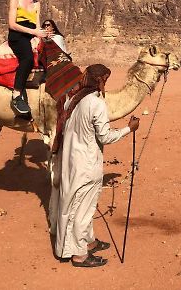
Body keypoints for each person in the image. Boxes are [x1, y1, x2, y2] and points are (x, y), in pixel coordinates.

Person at [49, 64, 140, 267]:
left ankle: (87, 243)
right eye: (105, 80)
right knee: (81, 211)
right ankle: (79, 254)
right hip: (87, 165)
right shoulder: (96, 103)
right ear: (99, 81)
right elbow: (105, 136)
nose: (105, 84)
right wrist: (128, 129)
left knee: (75, 206)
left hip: (72, 163)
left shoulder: (73, 100)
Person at [8, 0, 47, 114]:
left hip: (31, 35)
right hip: (17, 36)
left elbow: (37, 25)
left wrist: (38, 37)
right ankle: (16, 95)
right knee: (28, 58)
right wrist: (33, 33)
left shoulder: (37, 4)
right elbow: (12, 24)